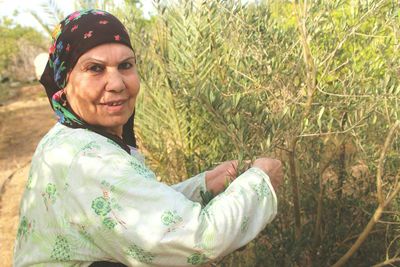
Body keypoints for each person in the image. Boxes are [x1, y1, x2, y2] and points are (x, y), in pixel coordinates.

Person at [13, 9, 283, 266]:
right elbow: (198, 239)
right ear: (65, 79)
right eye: (95, 69)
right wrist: (260, 181)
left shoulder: (67, 136)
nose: (117, 83)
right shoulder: (89, 159)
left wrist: (203, 185)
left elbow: (124, 210)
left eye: (125, 65)